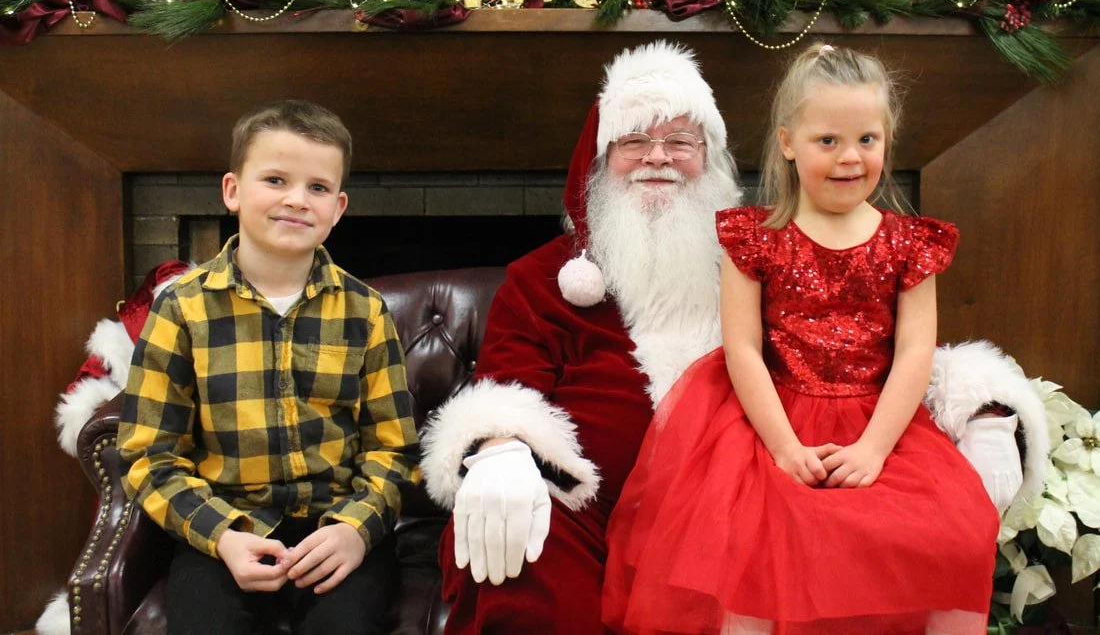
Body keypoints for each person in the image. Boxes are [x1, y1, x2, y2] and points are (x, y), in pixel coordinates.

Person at [420, 41, 1048, 635]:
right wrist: (499, 448)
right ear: (599, 160)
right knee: (523, 557)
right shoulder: (542, 279)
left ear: (711, 156)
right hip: (584, 506)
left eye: (679, 141)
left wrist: (986, 408)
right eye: (634, 140)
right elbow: (504, 383)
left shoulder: (753, 253)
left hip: (726, 498)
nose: (658, 157)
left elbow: (870, 345)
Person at [602, 43, 1001, 635]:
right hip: (771, 420)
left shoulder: (909, 243)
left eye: (867, 139)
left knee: (955, 533)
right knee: (751, 539)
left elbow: (916, 351)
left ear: (887, 141)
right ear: (788, 143)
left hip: (878, 422)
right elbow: (742, 349)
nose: (850, 158)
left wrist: (872, 449)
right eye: (828, 142)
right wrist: (785, 448)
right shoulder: (756, 239)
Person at [116, 100, 420, 635]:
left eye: (318, 188)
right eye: (276, 179)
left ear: (339, 206)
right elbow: (148, 454)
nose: (297, 200)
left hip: (336, 529)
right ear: (232, 190)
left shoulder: (365, 310)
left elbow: (392, 450)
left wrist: (356, 529)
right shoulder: (182, 308)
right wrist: (222, 535)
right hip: (223, 527)